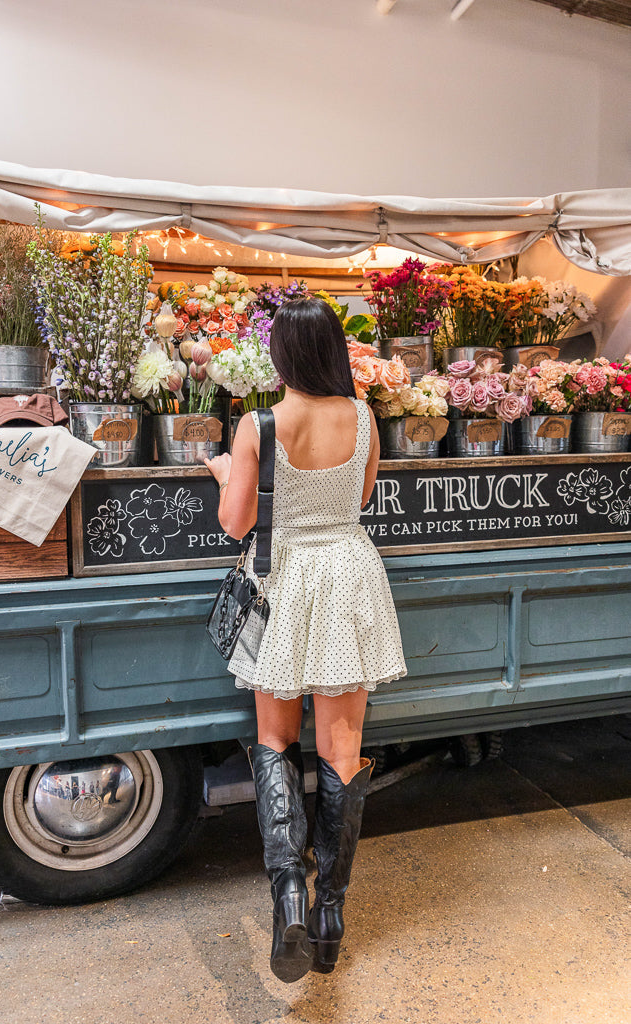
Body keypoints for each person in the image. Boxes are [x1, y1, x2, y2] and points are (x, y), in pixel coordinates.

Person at [204, 297, 406, 983]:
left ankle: (287, 890)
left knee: (273, 741)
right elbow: (360, 497)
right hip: (347, 574)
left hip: (284, 580)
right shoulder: (364, 416)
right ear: (332, 350)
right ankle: (330, 913)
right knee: (341, 751)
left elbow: (236, 526)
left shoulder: (259, 424)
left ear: (281, 356)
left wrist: (227, 475)